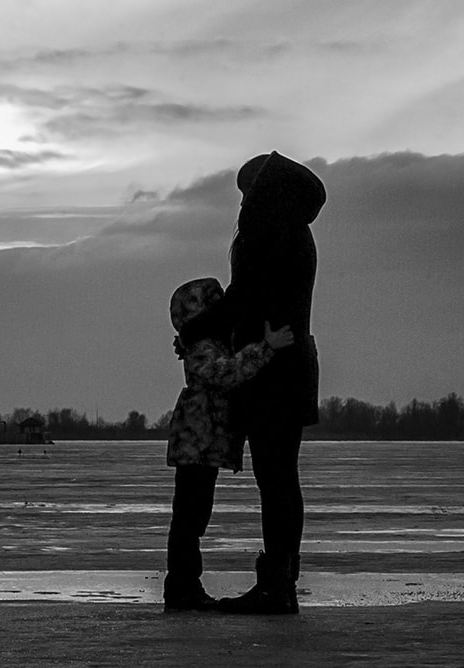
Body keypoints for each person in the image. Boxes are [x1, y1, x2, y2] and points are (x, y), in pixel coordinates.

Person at [178, 151, 325, 614]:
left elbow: (243, 300)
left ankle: (276, 586)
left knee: (275, 477)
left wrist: (195, 331)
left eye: (247, 195)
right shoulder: (293, 235)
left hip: (274, 373)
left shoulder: (271, 236)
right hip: (290, 365)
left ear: (265, 196)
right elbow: (249, 301)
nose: (242, 205)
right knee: (280, 476)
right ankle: (280, 580)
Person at [163, 277, 294, 611]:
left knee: (194, 516)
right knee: (189, 517)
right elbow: (226, 373)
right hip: (196, 446)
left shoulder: (211, 342)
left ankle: (184, 584)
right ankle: (181, 586)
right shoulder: (202, 347)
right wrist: (266, 347)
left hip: (203, 446)